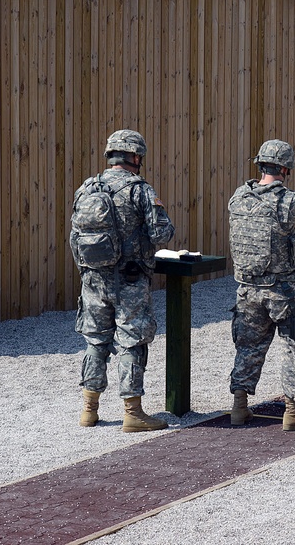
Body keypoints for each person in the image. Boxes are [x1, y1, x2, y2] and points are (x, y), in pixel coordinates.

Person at [69, 129, 176, 432]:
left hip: (93, 279)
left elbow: (74, 237)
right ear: (136, 157)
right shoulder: (140, 190)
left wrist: (88, 271)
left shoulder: (87, 188)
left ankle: (89, 410)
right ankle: (133, 413)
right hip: (129, 281)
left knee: (95, 342)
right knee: (132, 342)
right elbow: (161, 233)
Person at [227, 139, 295, 432]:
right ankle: (294, 412)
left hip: (247, 288)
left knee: (248, 346)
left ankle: (239, 408)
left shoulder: (239, 196)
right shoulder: (288, 200)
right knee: (294, 345)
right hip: (282, 290)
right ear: (285, 168)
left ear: (260, 164)